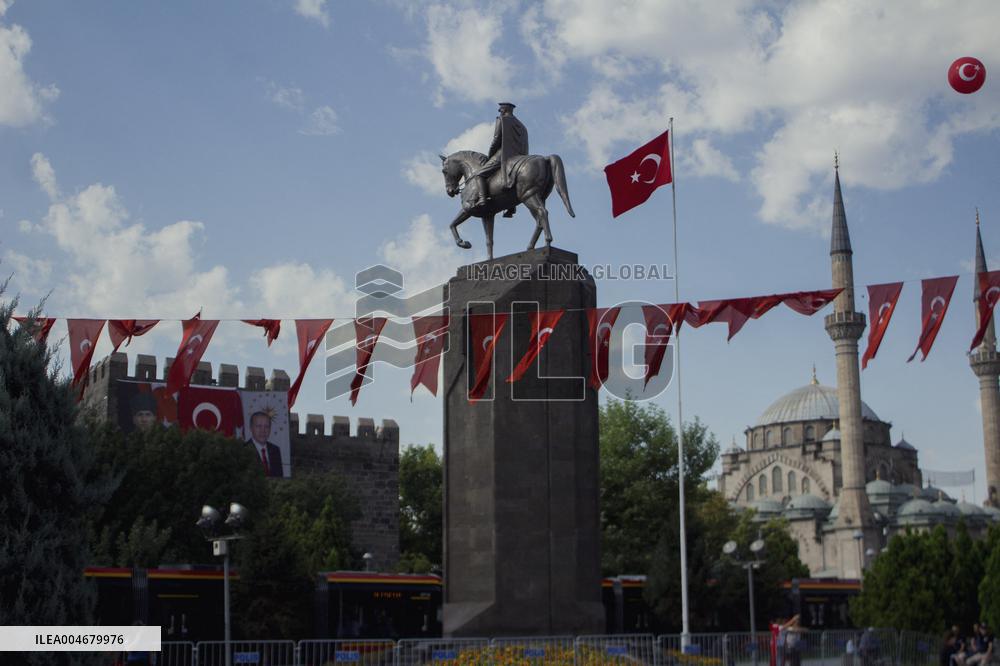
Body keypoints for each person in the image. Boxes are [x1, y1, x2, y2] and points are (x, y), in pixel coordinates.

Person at [470, 102, 529, 216]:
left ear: (505, 110)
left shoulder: (502, 120)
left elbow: (496, 139)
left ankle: (482, 199)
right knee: (513, 178)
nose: (499, 111)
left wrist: (490, 154)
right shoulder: (522, 126)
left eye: (500, 109)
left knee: (479, 174)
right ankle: (511, 207)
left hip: (504, 154)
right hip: (519, 156)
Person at [245, 411, 284, 477]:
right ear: (251, 428)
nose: (263, 430)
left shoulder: (275, 450)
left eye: (266, 426)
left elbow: (279, 477)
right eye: (259, 426)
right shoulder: (244, 450)